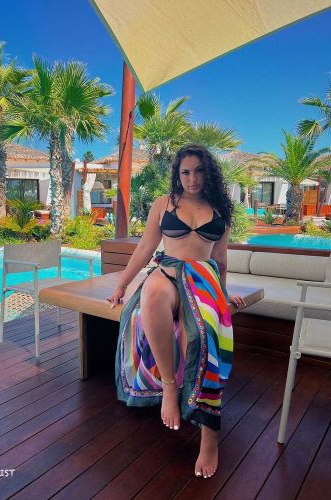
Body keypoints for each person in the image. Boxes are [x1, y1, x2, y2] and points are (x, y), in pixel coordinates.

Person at [107, 143, 245, 479]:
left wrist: (224, 295)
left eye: (198, 171)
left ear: (208, 173)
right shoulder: (164, 204)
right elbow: (145, 247)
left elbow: (221, 260)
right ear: (177, 175)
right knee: (152, 294)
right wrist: (122, 285)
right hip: (168, 270)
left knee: (207, 335)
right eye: (185, 172)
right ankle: (169, 386)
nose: (192, 178)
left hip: (204, 279)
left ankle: (209, 434)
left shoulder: (220, 209)